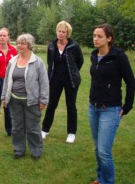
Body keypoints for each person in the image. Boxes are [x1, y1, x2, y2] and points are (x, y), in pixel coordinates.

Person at [89, 24, 134, 184]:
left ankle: (108, 181)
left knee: (104, 151)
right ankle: (101, 178)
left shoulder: (119, 56)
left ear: (109, 38)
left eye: (99, 36)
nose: (95, 39)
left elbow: (130, 82)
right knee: (97, 149)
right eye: (94, 35)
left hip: (111, 109)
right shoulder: (94, 55)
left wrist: (127, 106)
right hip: (93, 108)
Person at [1, 34, 49, 160]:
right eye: (18, 43)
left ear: (29, 45)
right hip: (14, 100)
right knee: (17, 128)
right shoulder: (12, 61)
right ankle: (18, 150)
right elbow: (6, 80)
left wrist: (43, 100)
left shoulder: (38, 62)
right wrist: (3, 97)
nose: (19, 46)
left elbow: (44, 82)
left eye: (22, 43)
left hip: (32, 101)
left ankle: (36, 152)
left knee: (33, 128)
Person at [41, 21, 84, 143]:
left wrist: (73, 73)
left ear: (67, 33)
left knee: (71, 105)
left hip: (71, 80)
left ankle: (71, 133)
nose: (60, 34)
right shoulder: (51, 46)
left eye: (63, 32)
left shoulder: (74, 46)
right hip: (55, 80)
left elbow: (79, 62)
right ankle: (45, 129)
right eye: (59, 31)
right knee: (52, 104)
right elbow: (50, 63)